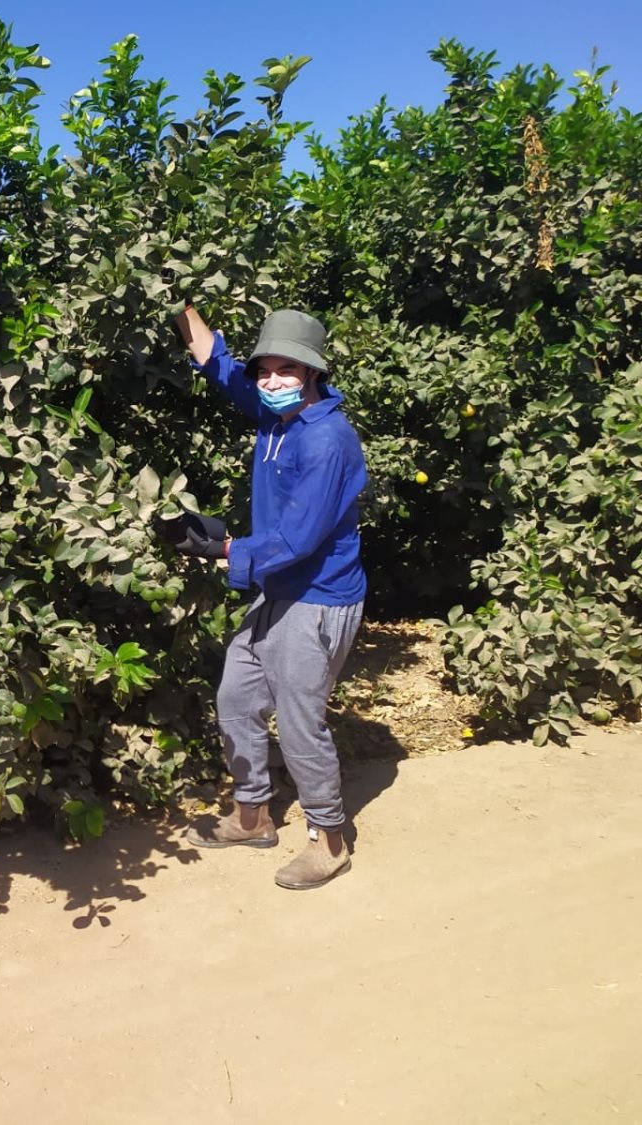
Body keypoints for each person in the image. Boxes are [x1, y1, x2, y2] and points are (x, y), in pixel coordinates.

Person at [170, 304, 368, 890]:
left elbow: (297, 539)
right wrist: (177, 301)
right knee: (236, 697)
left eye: (288, 370)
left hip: (319, 598)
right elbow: (218, 364)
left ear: (312, 374)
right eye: (266, 370)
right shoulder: (276, 416)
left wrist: (224, 549)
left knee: (300, 722)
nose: (273, 380)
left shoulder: (327, 440)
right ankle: (252, 816)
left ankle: (329, 842)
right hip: (279, 590)